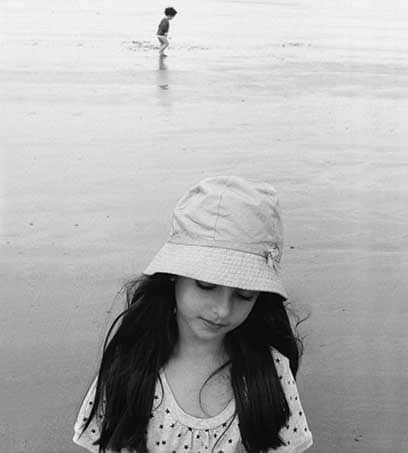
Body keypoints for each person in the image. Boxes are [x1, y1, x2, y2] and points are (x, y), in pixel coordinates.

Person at [73, 175, 313, 453]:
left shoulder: (272, 370)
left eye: (244, 295)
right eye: (206, 286)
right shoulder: (128, 364)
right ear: (174, 275)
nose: (223, 310)